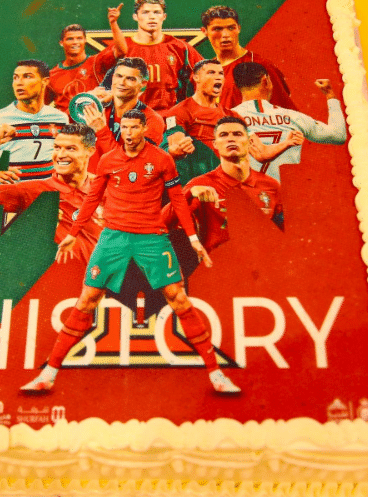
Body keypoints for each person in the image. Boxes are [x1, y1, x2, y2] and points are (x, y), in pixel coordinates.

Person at [20, 109, 241, 394]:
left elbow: (176, 198)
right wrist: (73, 234)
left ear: (145, 129)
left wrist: (192, 237)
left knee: (179, 299)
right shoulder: (109, 160)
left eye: (134, 128)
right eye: (124, 128)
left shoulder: (161, 159)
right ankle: (48, 374)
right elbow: (92, 199)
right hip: (114, 238)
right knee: (87, 300)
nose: (128, 133)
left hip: (151, 238)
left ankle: (216, 374)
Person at [0, 123, 102, 263]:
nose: (60, 155)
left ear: (90, 151)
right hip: (57, 273)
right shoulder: (34, 191)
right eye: (57, 148)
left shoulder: (104, 189)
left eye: (70, 148)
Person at [162, 116, 283, 256]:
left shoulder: (271, 185)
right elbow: (161, 223)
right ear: (215, 144)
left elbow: (285, 234)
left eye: (237, 134)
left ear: (250, 142)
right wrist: (188, 194)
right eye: (223, 135)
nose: (231, 139)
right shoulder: (200, 185)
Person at [231, 62, 347, 182]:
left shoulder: (225, 119)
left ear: (236, 86)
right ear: (266, 81)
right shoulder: (293, 117)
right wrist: (330, 95)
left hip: (244, 191)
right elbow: (338, 135)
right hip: (288, 191)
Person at [117, 0, 203, 115]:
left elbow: (205, 78)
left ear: (164, 16)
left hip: (170, 117)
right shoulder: (122, 49)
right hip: (131, 118)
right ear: (135, 16)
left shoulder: (179, 47)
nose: (151, 17)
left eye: (157, 12)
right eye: (145, 12)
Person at [201, 6, 296, 111]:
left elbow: (285, 113)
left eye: (231, 28)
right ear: (204, 31)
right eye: (217, 29)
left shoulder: (259, 65)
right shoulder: (205, 70)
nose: (226, 35)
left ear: (239, 28)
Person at [46, 4, 128, 112]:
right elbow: (40, 106)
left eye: (79, 38)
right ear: (61, 43)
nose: (75, 42)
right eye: (70, 39)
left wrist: (113, 23)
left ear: (85, 40)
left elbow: (122, 51)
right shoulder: (52, 75)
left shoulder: (96, 62)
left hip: (95, 120)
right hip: (66, 122)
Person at [83, 57, 165, 155]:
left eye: (130, 79)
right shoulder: (98, 108)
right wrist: (87, 98)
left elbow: (131, 160)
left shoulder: (151, 120)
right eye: (119, 76)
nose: (121, 83)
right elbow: (66, 123)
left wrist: (101, 130)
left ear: (143, 84)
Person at [161, 59, 241, 159]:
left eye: (221, 73)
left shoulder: (233, 116)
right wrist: (178, 149)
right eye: (211, 72)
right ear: (196, 77)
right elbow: (175, 143)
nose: (218, 77)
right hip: (197, 167)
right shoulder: (177, 112)